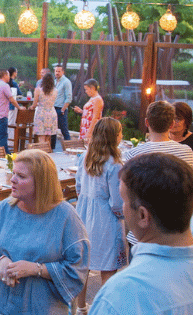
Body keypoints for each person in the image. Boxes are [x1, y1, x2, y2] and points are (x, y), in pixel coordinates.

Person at [90, 153, 193, 314]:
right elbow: (191, 218)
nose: (122, 207)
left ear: (143, 215)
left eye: (124, 200)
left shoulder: (119, 296)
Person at [0, 149, 89, 315]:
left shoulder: (66, 216)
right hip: (3, 309)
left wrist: (36, 269)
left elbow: (78, 269)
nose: (12, 179)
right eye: (13, 173)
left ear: (41, 182)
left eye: (21, 176)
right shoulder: (7, 208)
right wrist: (0, 260)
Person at [122, 100, 193, 245]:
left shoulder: (134, 154)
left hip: (143, 234)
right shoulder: (187, 151)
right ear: (172, 124)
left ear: (147, 122)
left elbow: (129, 195)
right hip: (175, 233)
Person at [73, 118, 125, 314]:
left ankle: (81, 307)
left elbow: (78, 186)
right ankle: (105, 310)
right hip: (105, 219)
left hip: (84, 214)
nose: (122, 136)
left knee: (83, 265)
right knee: (108, 267)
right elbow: (116, 202)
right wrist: (122, 216)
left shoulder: (85, 157)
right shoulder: (114, 165)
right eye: (120, 132)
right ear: (113, 137)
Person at [0, 69, 21, 153]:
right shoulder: (5, 85)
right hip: (1, 114)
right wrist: (19, 107)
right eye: (8, 75)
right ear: (4, 76)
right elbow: (12, 99)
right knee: (3, 136)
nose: (9, 77)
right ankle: (5, 155)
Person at [73, 79, 104, 143]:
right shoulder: (92, 98)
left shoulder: (97, 99)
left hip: (90, 128)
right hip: (85, 127)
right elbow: (91, 113)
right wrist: (82, 111)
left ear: (92, 88)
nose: (85, 91)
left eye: (86, 89)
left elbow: (95, 117)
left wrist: (89, 132)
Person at [32, 73, 58, 144]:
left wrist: (31, 107)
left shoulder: (38, 90)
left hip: (41, 113)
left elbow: (34, 104)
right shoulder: (55, 90)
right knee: (48, 138)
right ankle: (47, 153)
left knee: (41, 137)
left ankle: (42, 153)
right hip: (52, 113)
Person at [51, 65, 73, 149]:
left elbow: (69, 97)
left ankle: (69, 148)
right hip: (53, 108)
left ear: (63, 72)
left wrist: (63, 109)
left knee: (64, 130)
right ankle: (51, 148)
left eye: (59, 71)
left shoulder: (66, 82)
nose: (57, 73)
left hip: (61, 109)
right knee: (52, 130)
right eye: (56, 71)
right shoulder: (54, 81)